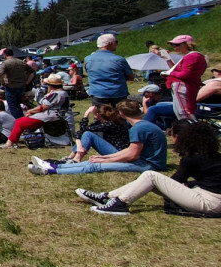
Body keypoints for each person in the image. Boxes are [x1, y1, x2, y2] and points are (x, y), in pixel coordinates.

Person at [77, 121, 221, 216]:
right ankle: (107, 197)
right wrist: (188, 185)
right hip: (213, 199)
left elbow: (174, 181)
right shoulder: (214, 156)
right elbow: (211, 180)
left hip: (209, 203)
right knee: (151, 180)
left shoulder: (191, 159)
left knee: (151, 176)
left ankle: (120, 204)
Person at [28, 99, 166, 175]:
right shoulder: (144, 125)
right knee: (94, 162)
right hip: (145, 162)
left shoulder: (139, 128)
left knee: (96, 166)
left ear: (122, 114)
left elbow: (132, 155)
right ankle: (52, 166)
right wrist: (105, 157)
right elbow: (130, 151)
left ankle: (52, 170)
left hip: (148, 165)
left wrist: (105, 159)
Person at [1, 75, 69, 149]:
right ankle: (19, 139)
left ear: (50, 85)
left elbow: (44, 107)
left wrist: (30, 111)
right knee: (21, 121)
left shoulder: (57, 94)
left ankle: (10, 143)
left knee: (20, 122)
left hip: (50, 116)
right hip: (52, 115)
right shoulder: (61, 93)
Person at [152, 34, 207, 120]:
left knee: (183, 113)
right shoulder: (192, 56)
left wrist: (168, 73)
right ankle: (192, 130)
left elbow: (184, 75)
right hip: (186, 85)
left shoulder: (192, 56)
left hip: (182, 86)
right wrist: (167, 59)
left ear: (187, 44)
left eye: (177, 44)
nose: (174, 46)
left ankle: (191, 130)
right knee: (183, 112)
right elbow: (176, 71)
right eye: (172, 45)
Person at [83, 33, 133, 107]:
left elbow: (89, 73)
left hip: (98, 93)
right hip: (118, 93)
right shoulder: (119, 59)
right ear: (110, 44)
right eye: (116, 42)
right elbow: (131, 77)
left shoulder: (88, 59)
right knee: (120, 115)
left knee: (100, 116)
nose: (117, 44)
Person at [0, 48, 34, 118]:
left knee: (13, 105)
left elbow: (0, 74)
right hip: (21, 85)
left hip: (11, 85)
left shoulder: (6, 63)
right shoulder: (21, 62)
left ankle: (17, 120)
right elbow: (32, 72)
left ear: (5, 55)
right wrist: (27, 82)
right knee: (19, 104)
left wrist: (3, 83)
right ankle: (22, 118)